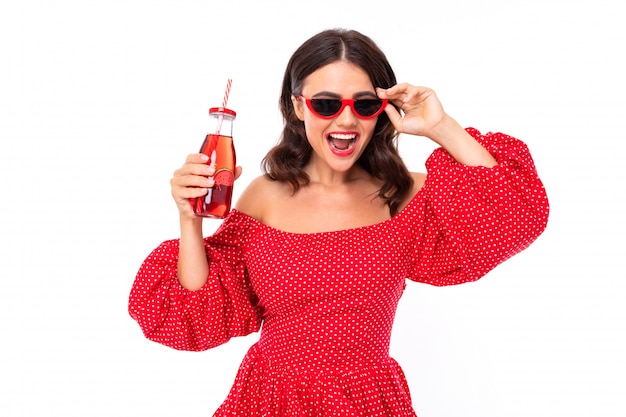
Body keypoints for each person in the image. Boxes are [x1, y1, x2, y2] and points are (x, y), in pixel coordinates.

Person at [128, 28, 549, 416]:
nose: (346, 121)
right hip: (269, 399)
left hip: (368, 401)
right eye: (326, 104)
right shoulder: (265, 195)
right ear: (297, 107)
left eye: (363, 105)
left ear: (382, 109)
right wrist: (189, 219)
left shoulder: (401, 196)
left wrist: (441, 126)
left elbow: (512, 216)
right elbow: (199, 313)